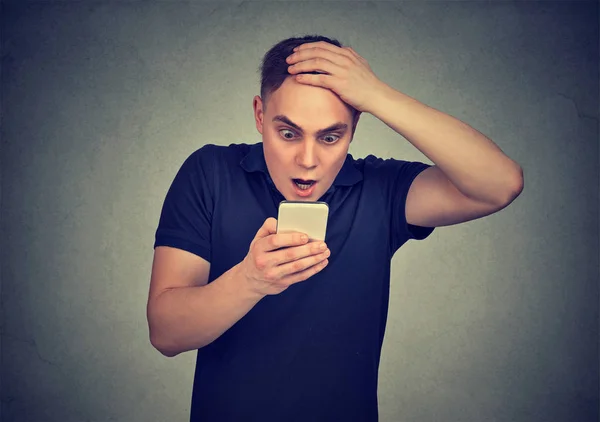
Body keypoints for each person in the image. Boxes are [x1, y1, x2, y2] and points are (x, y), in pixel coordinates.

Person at [146, 34, 524, 422]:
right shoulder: (210, 174)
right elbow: (165, 333)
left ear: (354, 127)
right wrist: (249, 281)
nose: (307, 160)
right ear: (260, 116)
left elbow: (500, 184)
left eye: (330, 136)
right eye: (288, 133)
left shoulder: (382, 190)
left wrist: (376, 95)